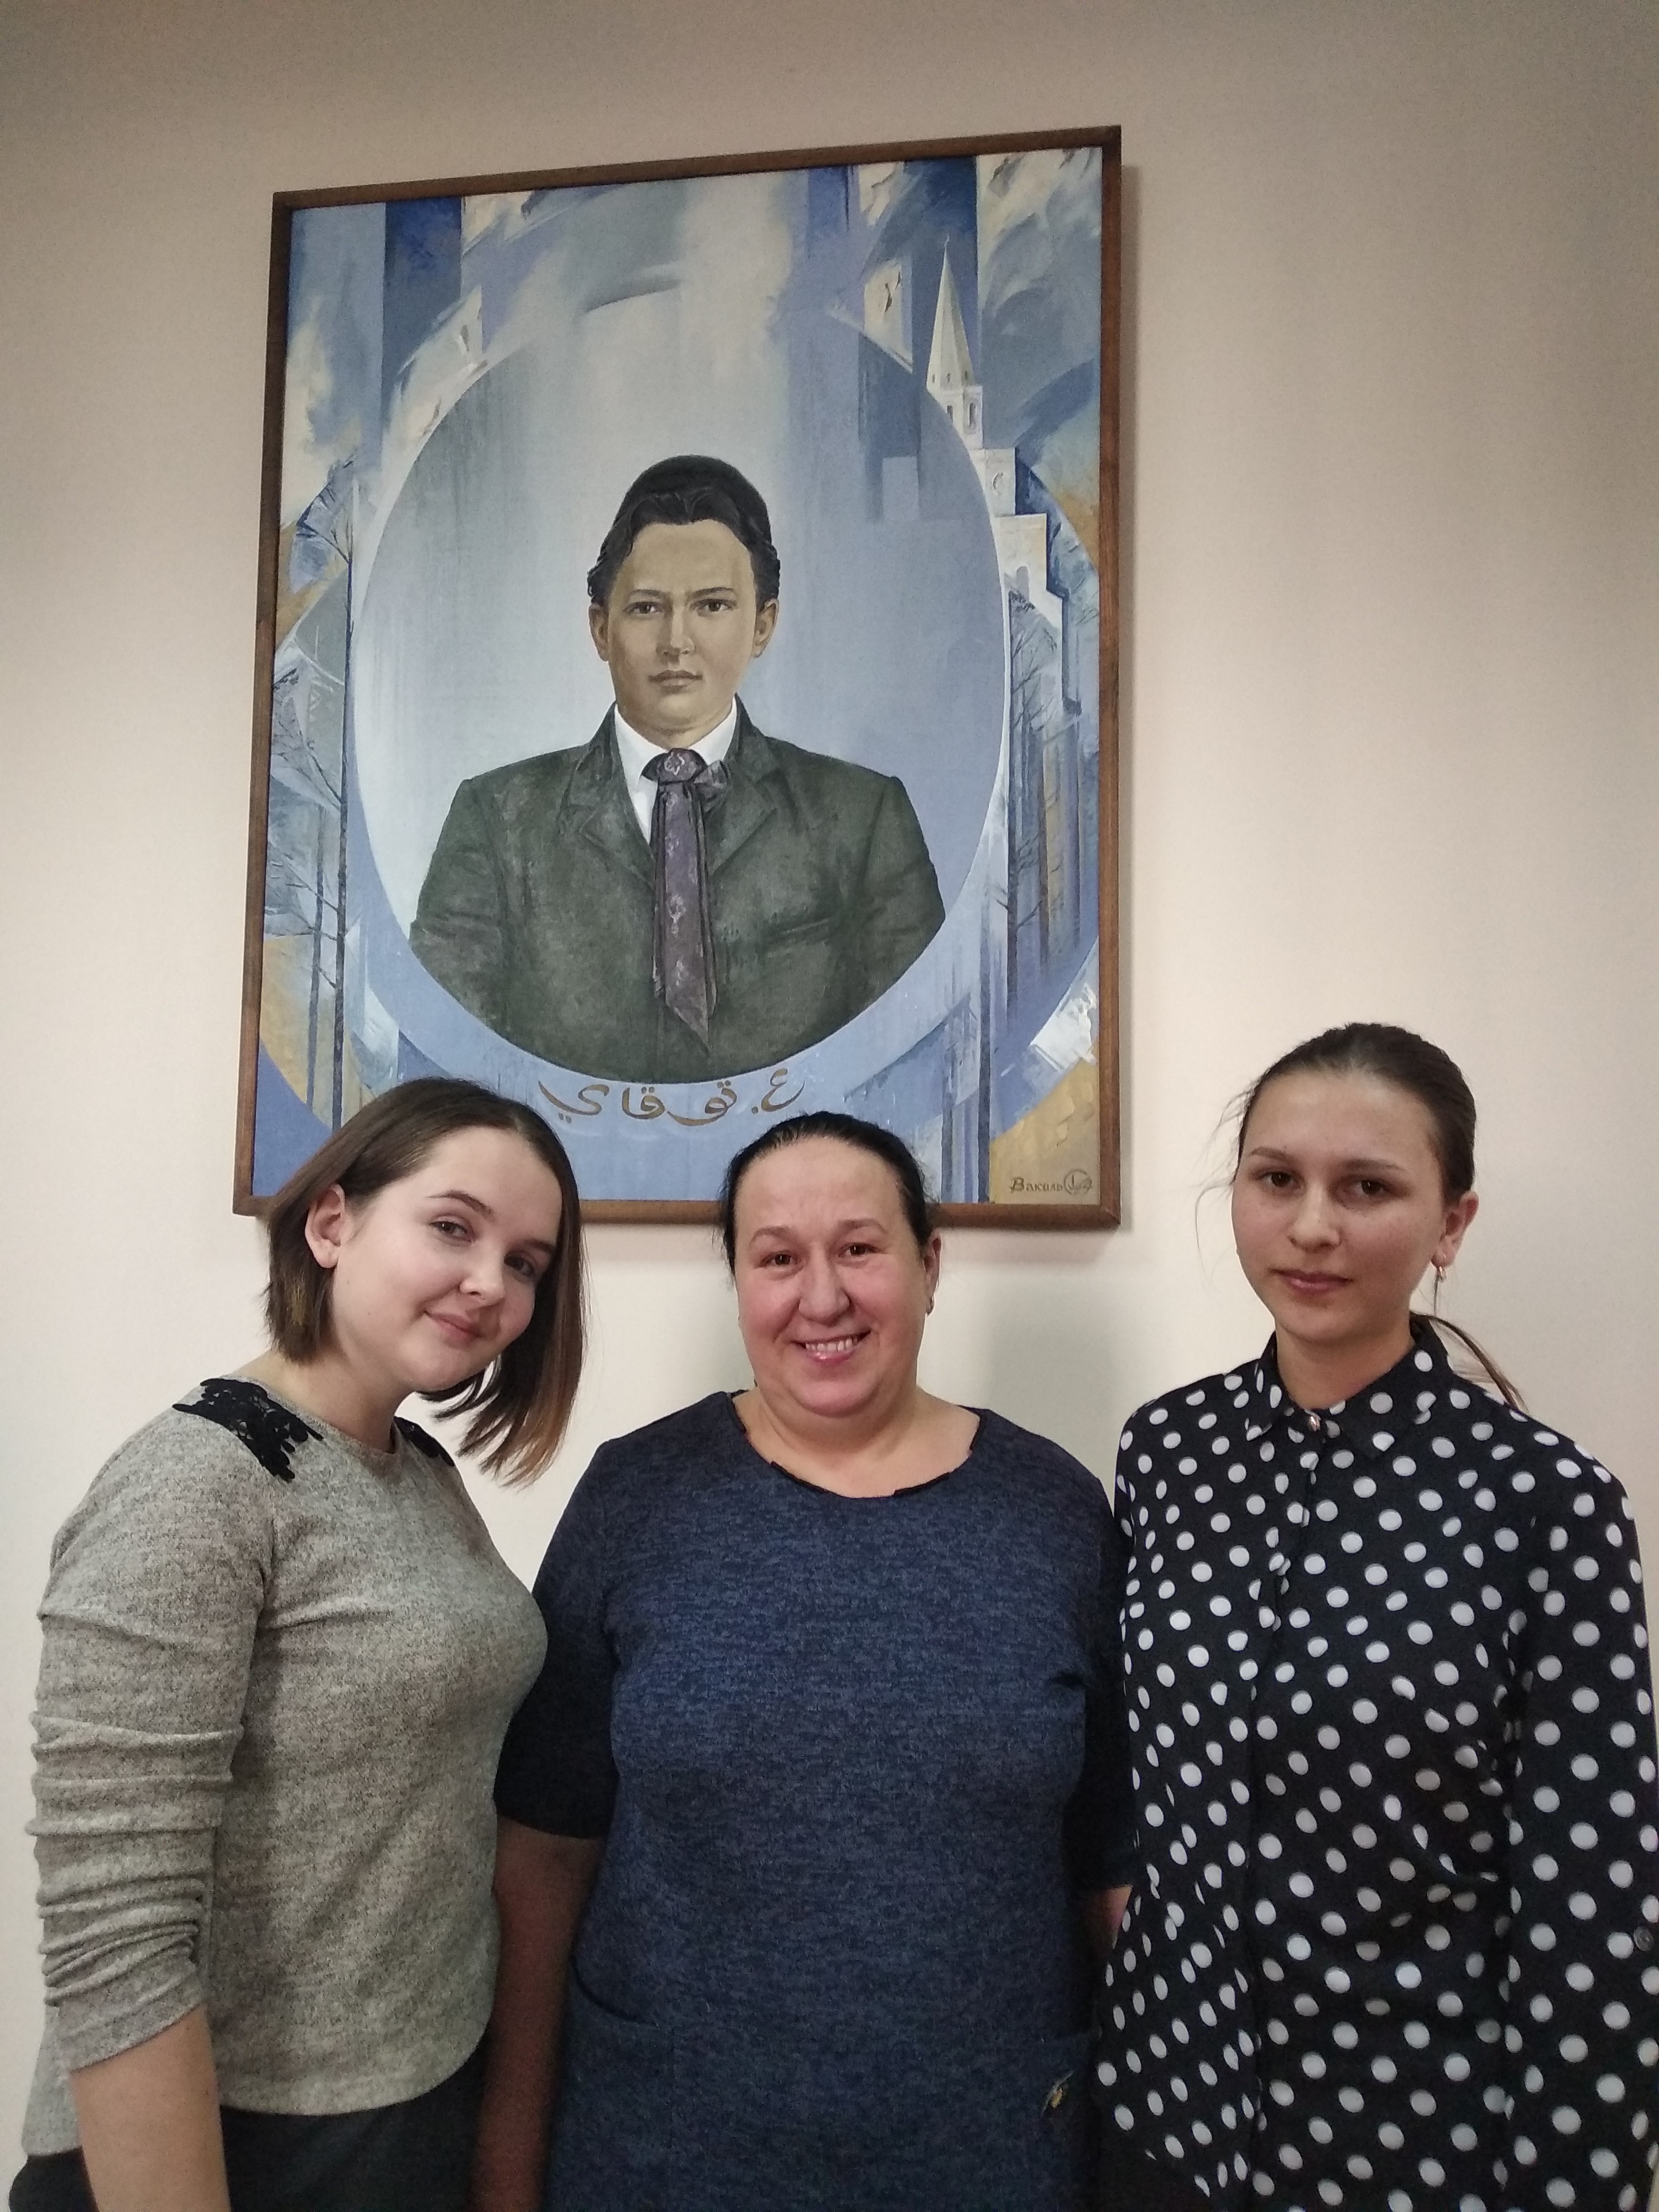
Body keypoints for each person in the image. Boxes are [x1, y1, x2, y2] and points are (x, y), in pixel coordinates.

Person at [472, 1109, 1134, 2212]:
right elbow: (542, 1855)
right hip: (665, 2156)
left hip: (991, 2154)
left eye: (860, 1248)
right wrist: (505, 2165)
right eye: (778, 1258)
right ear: (739, 1281)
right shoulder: (638, 1497)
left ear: (929, 1264)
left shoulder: (1054, 1511)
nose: (822, 1298)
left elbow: (1111, 1861)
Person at [1095, 1024, 1659, 2212]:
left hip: (1414, 2138)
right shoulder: (1165, 1452)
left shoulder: (1548, 1501)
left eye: (1367, 1188)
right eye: (1277, 1178)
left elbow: (1592, 1898)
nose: (1312, 1226)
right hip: (1164, 2114)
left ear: (1451, 1223)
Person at [11, 1079, 587, 2212]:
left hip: (409, 2096)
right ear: (331, 1223)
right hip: (232, 2137)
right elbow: (113, 1931)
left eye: (526, 1262)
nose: (491, 1282)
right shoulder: (199, 1480)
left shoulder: (416, 1470)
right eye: (453, 1227)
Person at [410, 455, 946, 1082]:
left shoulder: (863, 818)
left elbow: (912, 1060)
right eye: (646, 608)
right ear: (600, 628)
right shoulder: (496, 820)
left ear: (763, 625)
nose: (677, 643)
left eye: (713, 606)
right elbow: (441, 1067)